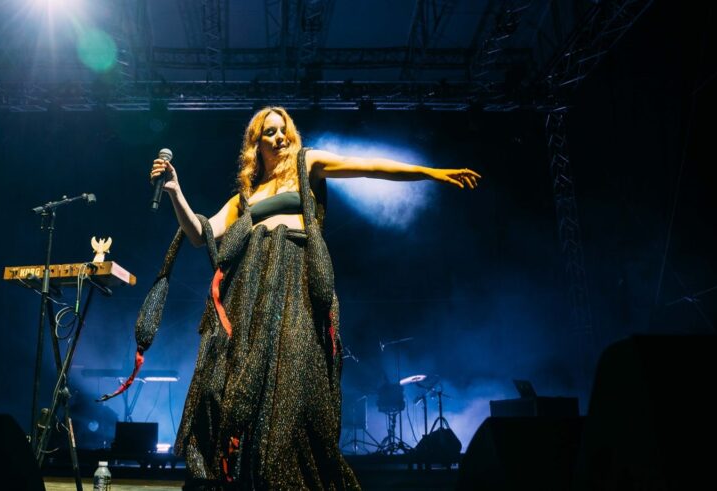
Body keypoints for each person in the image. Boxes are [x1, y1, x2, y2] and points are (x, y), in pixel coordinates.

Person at [141, 107, 480, 489]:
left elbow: (367, 166)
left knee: (294, 382)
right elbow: (200, 234)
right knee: (240, 386)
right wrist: (175, 192)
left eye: (284, 131)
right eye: (270, 132)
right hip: (251, 294)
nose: (280, 138)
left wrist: (431, 172)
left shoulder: (307, 165)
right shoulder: (245, 197)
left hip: (296, 284)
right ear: (256, 143)